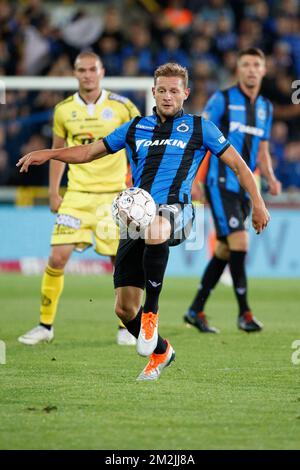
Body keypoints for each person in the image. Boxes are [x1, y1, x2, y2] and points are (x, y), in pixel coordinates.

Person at [17, 62, 270, 381]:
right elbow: (89, 152)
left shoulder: (200, 128)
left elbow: (239, 166)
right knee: (123, 309)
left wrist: (258, 204)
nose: (167, 96)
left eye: (174, 91)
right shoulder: (135, 128)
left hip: (178, 212)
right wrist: (49, 154)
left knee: (157, 226)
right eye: (162, 90)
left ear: (185, 94)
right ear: (153, 92)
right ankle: (161, 350)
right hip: (134, 218)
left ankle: (152, 312)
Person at [18, 51, 140, 347]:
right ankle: (45, 325)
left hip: (114, 196)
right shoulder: (63, 110)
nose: (87, 74)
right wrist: (53, 191)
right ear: (75, 74)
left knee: (119, 261)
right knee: (57, 258)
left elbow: (139, 147)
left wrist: (137, 187)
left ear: (102, 71)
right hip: (77, 195)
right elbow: (58, 152)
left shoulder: (123, 107)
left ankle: (126, 327)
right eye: (81, 70)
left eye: (92, 69)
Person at [184, 48, 281, 334]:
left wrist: (271, 178)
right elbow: (200, 132)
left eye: (256, 65)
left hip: (246, 188)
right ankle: (245, 314)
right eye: (246, 65)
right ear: (238, 70)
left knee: (225, 250)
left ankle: (195, 309)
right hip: (220, 182)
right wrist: (193, 179)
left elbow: (262, 149)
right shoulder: (223, 99)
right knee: (240, 243)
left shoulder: (265, 107)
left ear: (263, 70)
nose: (251, 69)